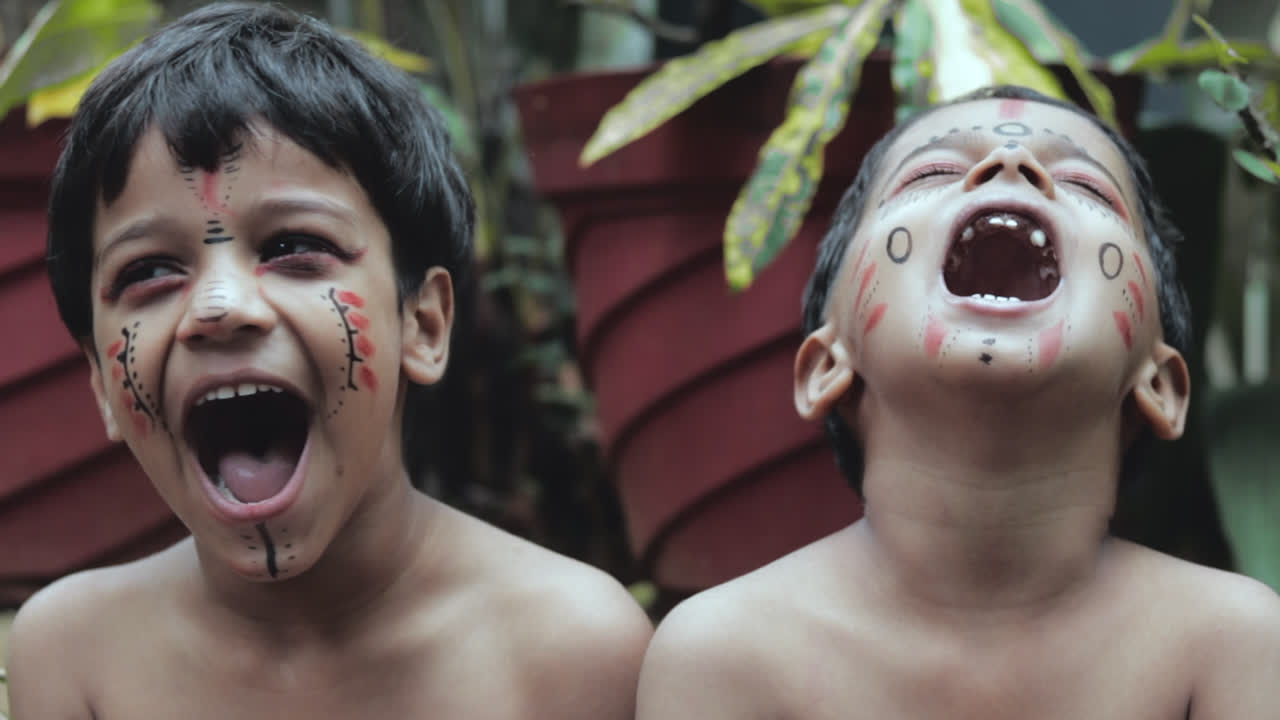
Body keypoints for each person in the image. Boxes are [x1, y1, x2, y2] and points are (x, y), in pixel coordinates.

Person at [6, 4, 651, 718]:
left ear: (424, 323)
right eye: (149, 271)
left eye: (290, 248)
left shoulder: (572, 646)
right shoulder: (74, 656)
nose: (220, 305)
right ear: (102, 381)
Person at [636, 86, 1280, 719]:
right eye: (936, 172)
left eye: (1086, 187)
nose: (1010, 165)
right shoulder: (729, 653)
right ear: (827, 363)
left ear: (1159, 386)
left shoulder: (1229, 644)